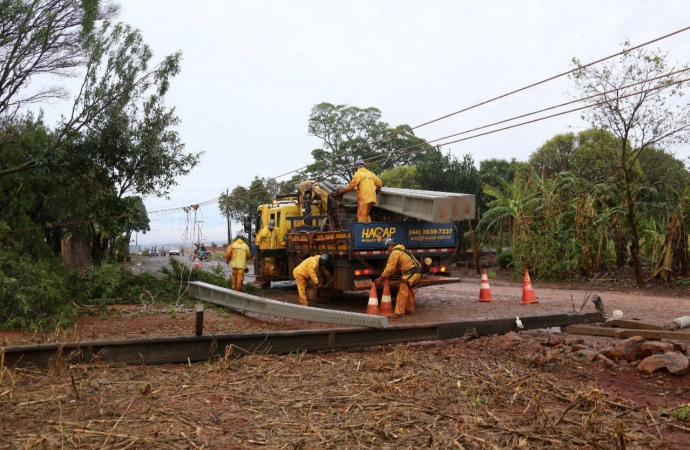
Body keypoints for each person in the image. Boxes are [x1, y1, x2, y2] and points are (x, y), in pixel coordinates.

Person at [373, 238, 422, 319]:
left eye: (386, 248)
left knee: (402, 292)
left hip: (410, 273)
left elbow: (389, 269)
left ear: (390, 246)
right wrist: (388, 277)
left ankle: (399, 313)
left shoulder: (394, 253)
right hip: (417, 272)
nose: (387, 251)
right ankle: (409, 309)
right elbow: (396, 269)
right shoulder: (403, 250)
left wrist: (381, 279)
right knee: (410, 291)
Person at [336, 158, 383, 223]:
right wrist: (376, 190)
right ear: (364, 166)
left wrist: (344, 190)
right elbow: (380, 184)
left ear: (357, 167)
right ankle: (369, 228)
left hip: (364, 198)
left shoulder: (358, 174)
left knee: (361, 215)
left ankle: (362, 230)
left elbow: (352, 186)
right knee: (366, 214)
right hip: (372, 198)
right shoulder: (370, 174)